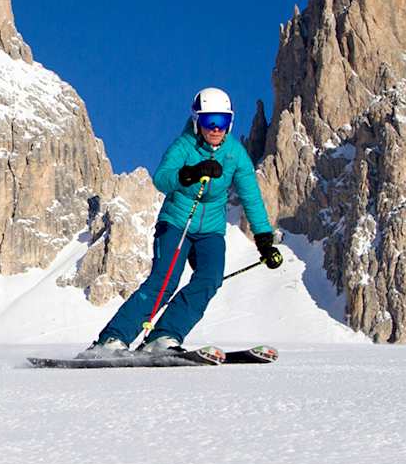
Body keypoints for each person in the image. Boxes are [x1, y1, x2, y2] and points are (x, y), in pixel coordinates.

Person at [82, 87, 282, 355]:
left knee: (210, 279)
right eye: (209, 121)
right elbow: (162, 178)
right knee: (165, 281)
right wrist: (191, 173)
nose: (215, 129)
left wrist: (264, 241)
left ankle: (163, 336)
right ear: (197, 121)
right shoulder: (184, 145)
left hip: (211, 229)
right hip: (176, 222)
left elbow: (252, 198)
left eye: (222, 122)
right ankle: (112, 339)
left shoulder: (235, 154)